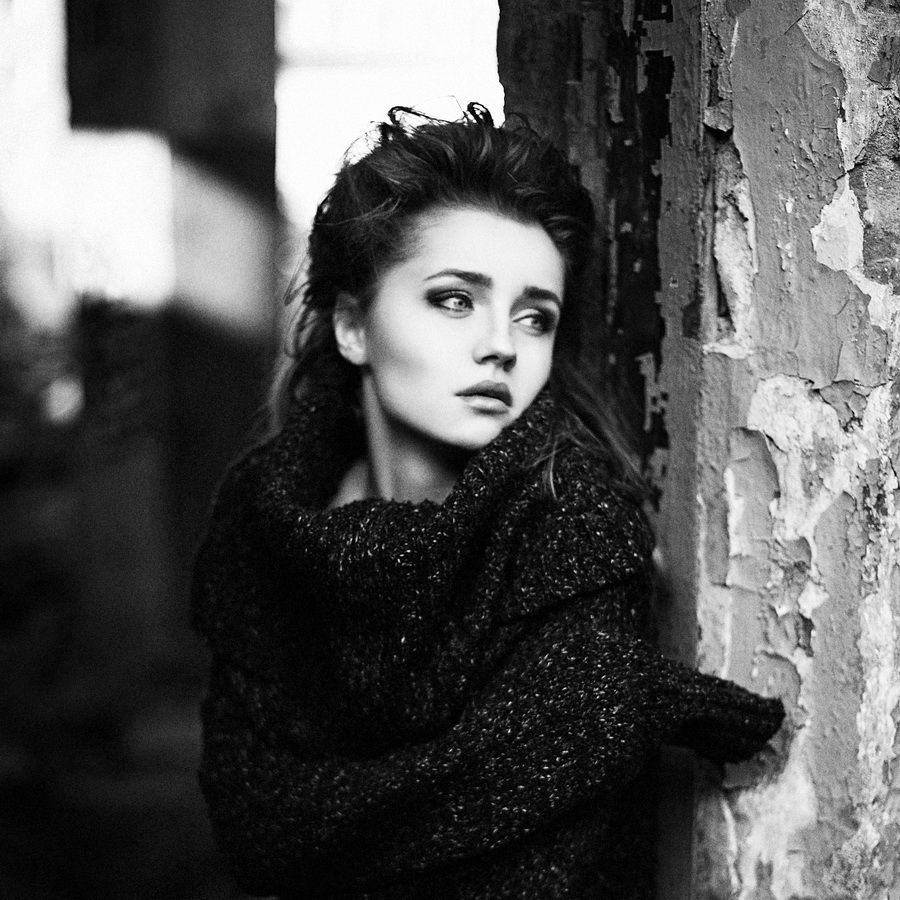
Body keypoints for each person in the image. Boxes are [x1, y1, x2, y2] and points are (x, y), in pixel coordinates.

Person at [191, 104, 784, 899]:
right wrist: (583, 727)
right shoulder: (264, 512)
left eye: (535, 317)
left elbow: (534, 879)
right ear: (353, 327)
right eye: (454, 300)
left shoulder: (569, 522)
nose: (501, 344)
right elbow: (256, 829)